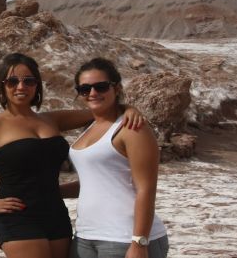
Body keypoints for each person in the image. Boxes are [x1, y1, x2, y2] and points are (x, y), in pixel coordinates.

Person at [0, 53, 144, 258]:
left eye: (28, 81)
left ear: (37, 85)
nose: (21, 87)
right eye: (12, 81)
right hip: (18, 216)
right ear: (2, 86)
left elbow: (101, 110)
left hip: (55, 213)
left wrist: (128, 108)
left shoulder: (51, 119)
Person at [61, 58, 168, 258]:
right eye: (85, 89)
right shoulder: (91, 125)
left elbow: (146, 187)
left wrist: (139, 242)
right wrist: (52, 192)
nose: (92, 93)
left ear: (116, 88)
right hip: (85, 237)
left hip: (124, 238)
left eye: (100, 87)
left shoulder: (132, 128)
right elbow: (98, 183)